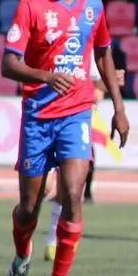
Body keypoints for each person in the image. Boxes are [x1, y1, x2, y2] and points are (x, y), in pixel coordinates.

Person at [1, 0, 130, 276]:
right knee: (29, 207)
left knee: (74, 193)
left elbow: (104, 54)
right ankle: (22, 255)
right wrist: (44, 76)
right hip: (38, 117)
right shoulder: (30, 5)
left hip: (77, 113)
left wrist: (119, 108)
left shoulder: (94, 5)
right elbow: (9, 63)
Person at [43, 64, 126, 262]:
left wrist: (110, 81)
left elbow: (96, 90)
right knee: (43, 188)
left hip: (74, 120)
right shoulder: (49, 37)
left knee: (72, 187)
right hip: (44, 116)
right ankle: (24, 245)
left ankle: (54, 242)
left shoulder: (90, 41)